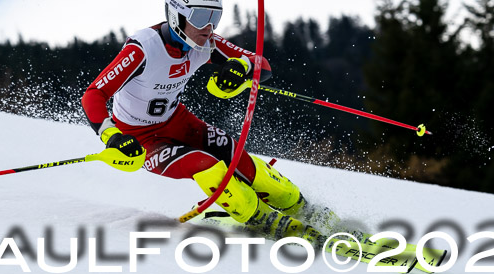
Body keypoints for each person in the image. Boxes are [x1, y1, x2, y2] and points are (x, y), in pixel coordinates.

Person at [81, 0, 323, 243]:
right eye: (199, 17)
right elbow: (94, 94)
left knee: (233, 152)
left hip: (178, 121)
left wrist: (240, 67)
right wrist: (111, 136)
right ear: (177, 16)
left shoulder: (207, 43)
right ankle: (260, 218)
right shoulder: (143, 48)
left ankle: (303, 208)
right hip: (141, 140)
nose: (208, 26)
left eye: (214, 17)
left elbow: (262, 64)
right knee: (205, 164)